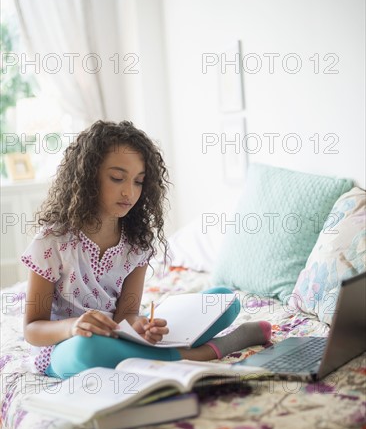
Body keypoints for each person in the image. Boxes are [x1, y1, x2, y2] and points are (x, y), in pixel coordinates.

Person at [22, 120, 271, 379]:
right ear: (88, 177)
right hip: (64, 347)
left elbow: (126, 317)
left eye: (139, 182)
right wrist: (73, 326)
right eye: (117, 178)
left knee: (223, 299)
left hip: (119, 340)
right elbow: (32, 329)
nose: (129, 192)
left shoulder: (136, 243)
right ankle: (202, 353)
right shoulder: (53, 241)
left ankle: (156, 351)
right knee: (88, 348)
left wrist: (141, 328)